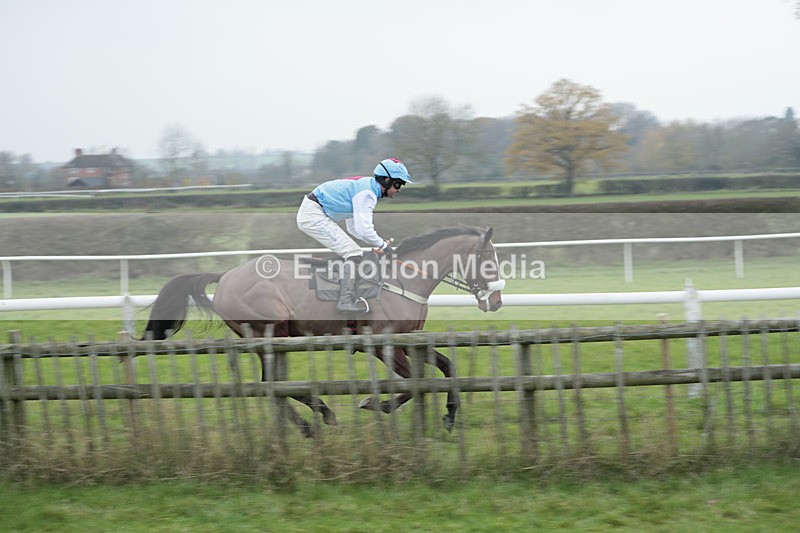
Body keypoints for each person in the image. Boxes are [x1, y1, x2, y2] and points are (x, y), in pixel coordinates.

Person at [297, 158, 413, 313]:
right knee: (353, 252)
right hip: (312, 215)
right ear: (386, 180)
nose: (399, 189)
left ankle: (347, 292)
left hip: (313, 211)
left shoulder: (366, 188)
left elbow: (354, 229)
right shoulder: (367, 194)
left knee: (354, 252)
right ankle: (344, 301)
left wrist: (378, 243)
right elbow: (364, 230)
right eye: (398, 184)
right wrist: (383, 246)